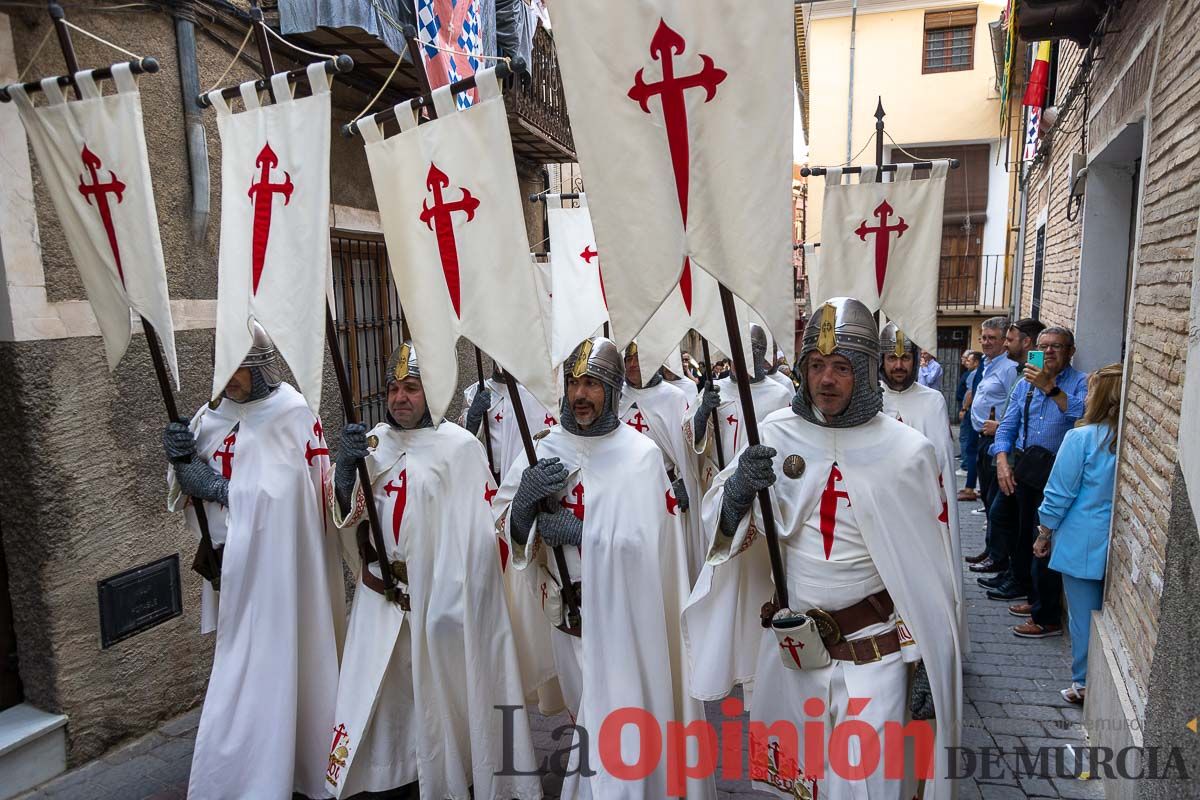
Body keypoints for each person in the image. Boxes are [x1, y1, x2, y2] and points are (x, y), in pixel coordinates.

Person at [684, 298, 963, 800]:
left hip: (873, 655)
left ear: (866, 370)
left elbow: (928, 572)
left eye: (840, 367)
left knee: (868, 789)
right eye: (815, 365)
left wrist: (924, 659)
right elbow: (720, 530)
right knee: (797, 788)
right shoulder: (775, 434)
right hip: (794, 652)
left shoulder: (906, 452)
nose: (826, 379)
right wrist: (738, 493)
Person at [492, 337, 714, 799]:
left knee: (617, 735)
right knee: (586, 727)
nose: (580, 394)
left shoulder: (641, 457)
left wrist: (581, 534)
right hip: (566, 622)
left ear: (612, 391)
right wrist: (524, 509)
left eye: (592, 383)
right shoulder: (544, 449)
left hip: (624, 627)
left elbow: (649, 550)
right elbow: (506, 526)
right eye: (573, 383)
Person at [324, 343, 541, 799]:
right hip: (382, 599)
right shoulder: (375, 443)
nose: (399, 397)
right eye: (393, 388)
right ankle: (388, 778)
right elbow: (350, 516)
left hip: (439, 600)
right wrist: (344, 472)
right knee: (384, 698)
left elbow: (481, 538)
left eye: (412, 388)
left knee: (442, 701)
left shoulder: (459, 449)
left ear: (433, 391)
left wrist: (453, 598)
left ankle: (448, 775)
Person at [162, 322, 345, 800]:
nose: (226, 378)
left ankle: (281, 768)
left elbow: (299, 499)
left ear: (260, 366)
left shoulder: (294, 414)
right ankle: (248, 769)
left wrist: (219, 488)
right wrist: (179, 461)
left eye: (236, 368)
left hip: (280, 574)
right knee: (242, 666)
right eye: (221, 367)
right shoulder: (210, 415)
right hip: (228, 568)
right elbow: (185, 485)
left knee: (274, 664)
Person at [989, 326, 1089, 637]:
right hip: (1028, 470)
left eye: (1056, 346)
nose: (1048, 352)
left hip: (1061, 475)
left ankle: (1047, 618)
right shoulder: (1025, 384)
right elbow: (1007, 427)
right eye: (1043, 346)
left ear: (1070, 351)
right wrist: (1002, 461)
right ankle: (1033, 599)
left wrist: (1051, 388)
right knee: (1024, 536)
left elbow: (1084, 415)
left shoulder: (1082, 382)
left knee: (1045, 543)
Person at [1035, 363, 1121, 703]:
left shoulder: (1081, 438)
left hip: (1080, 538)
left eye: (1090, 392)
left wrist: (1044, 532)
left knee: (1082, 616)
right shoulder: (1123, 438)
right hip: (1110, 537)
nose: (1084, 398)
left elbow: (1059, 492)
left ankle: (1083, 682)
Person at [878, 323, 966, 647]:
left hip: (922, 511)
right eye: (892, 357)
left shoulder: (932, 401)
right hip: (881, 508)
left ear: (916, 360)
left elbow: (940, 463)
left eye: (905, 358)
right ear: (881, 360)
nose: (899, 365)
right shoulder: (869, 398)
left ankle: (928, 646)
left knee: (923, 581)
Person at [619, 342, 705, 578]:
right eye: (628, 359)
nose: (633, 364)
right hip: (621, 492)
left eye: (638, 358)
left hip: (662, 490)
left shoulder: (672, 398)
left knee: (662, 559)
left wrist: (683, 481)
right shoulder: (615, 396)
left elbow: (686, 450)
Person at [687, 324, 795, 473]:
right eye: (735, 355)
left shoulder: (779, 395)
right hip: (719, 476)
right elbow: (693, 438)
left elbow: (787, 445)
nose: (738, 362)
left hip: (761, 478)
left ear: (760, 357)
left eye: (747, 356)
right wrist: (704, 411)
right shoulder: (714, 389)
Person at [965, 317, 1020, 569]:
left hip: (997, 441)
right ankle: (990, 549)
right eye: (984, 337)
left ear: (1004, 341)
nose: (986, 342)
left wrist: (1000, 426)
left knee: (996, 502)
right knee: (987, 499)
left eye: (992, 338)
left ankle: (998, 557)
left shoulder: (1009, 368)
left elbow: (1015, 404)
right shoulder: (988, 364)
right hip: (982, 439)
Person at [461, 363, 556, 480]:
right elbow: (464, 443)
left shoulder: (536, 393)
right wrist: (472, 419)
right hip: (490, 476)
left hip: (525, 474)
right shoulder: (478, 390)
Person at [958, 351, 982, 502]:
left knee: (970, 447)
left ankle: (970, 487)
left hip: (973, 415)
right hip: (977, 416)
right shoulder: (977, 372)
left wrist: (964, 409)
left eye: (970, 360)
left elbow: (970, 393)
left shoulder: (975, 374)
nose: (966, 362)